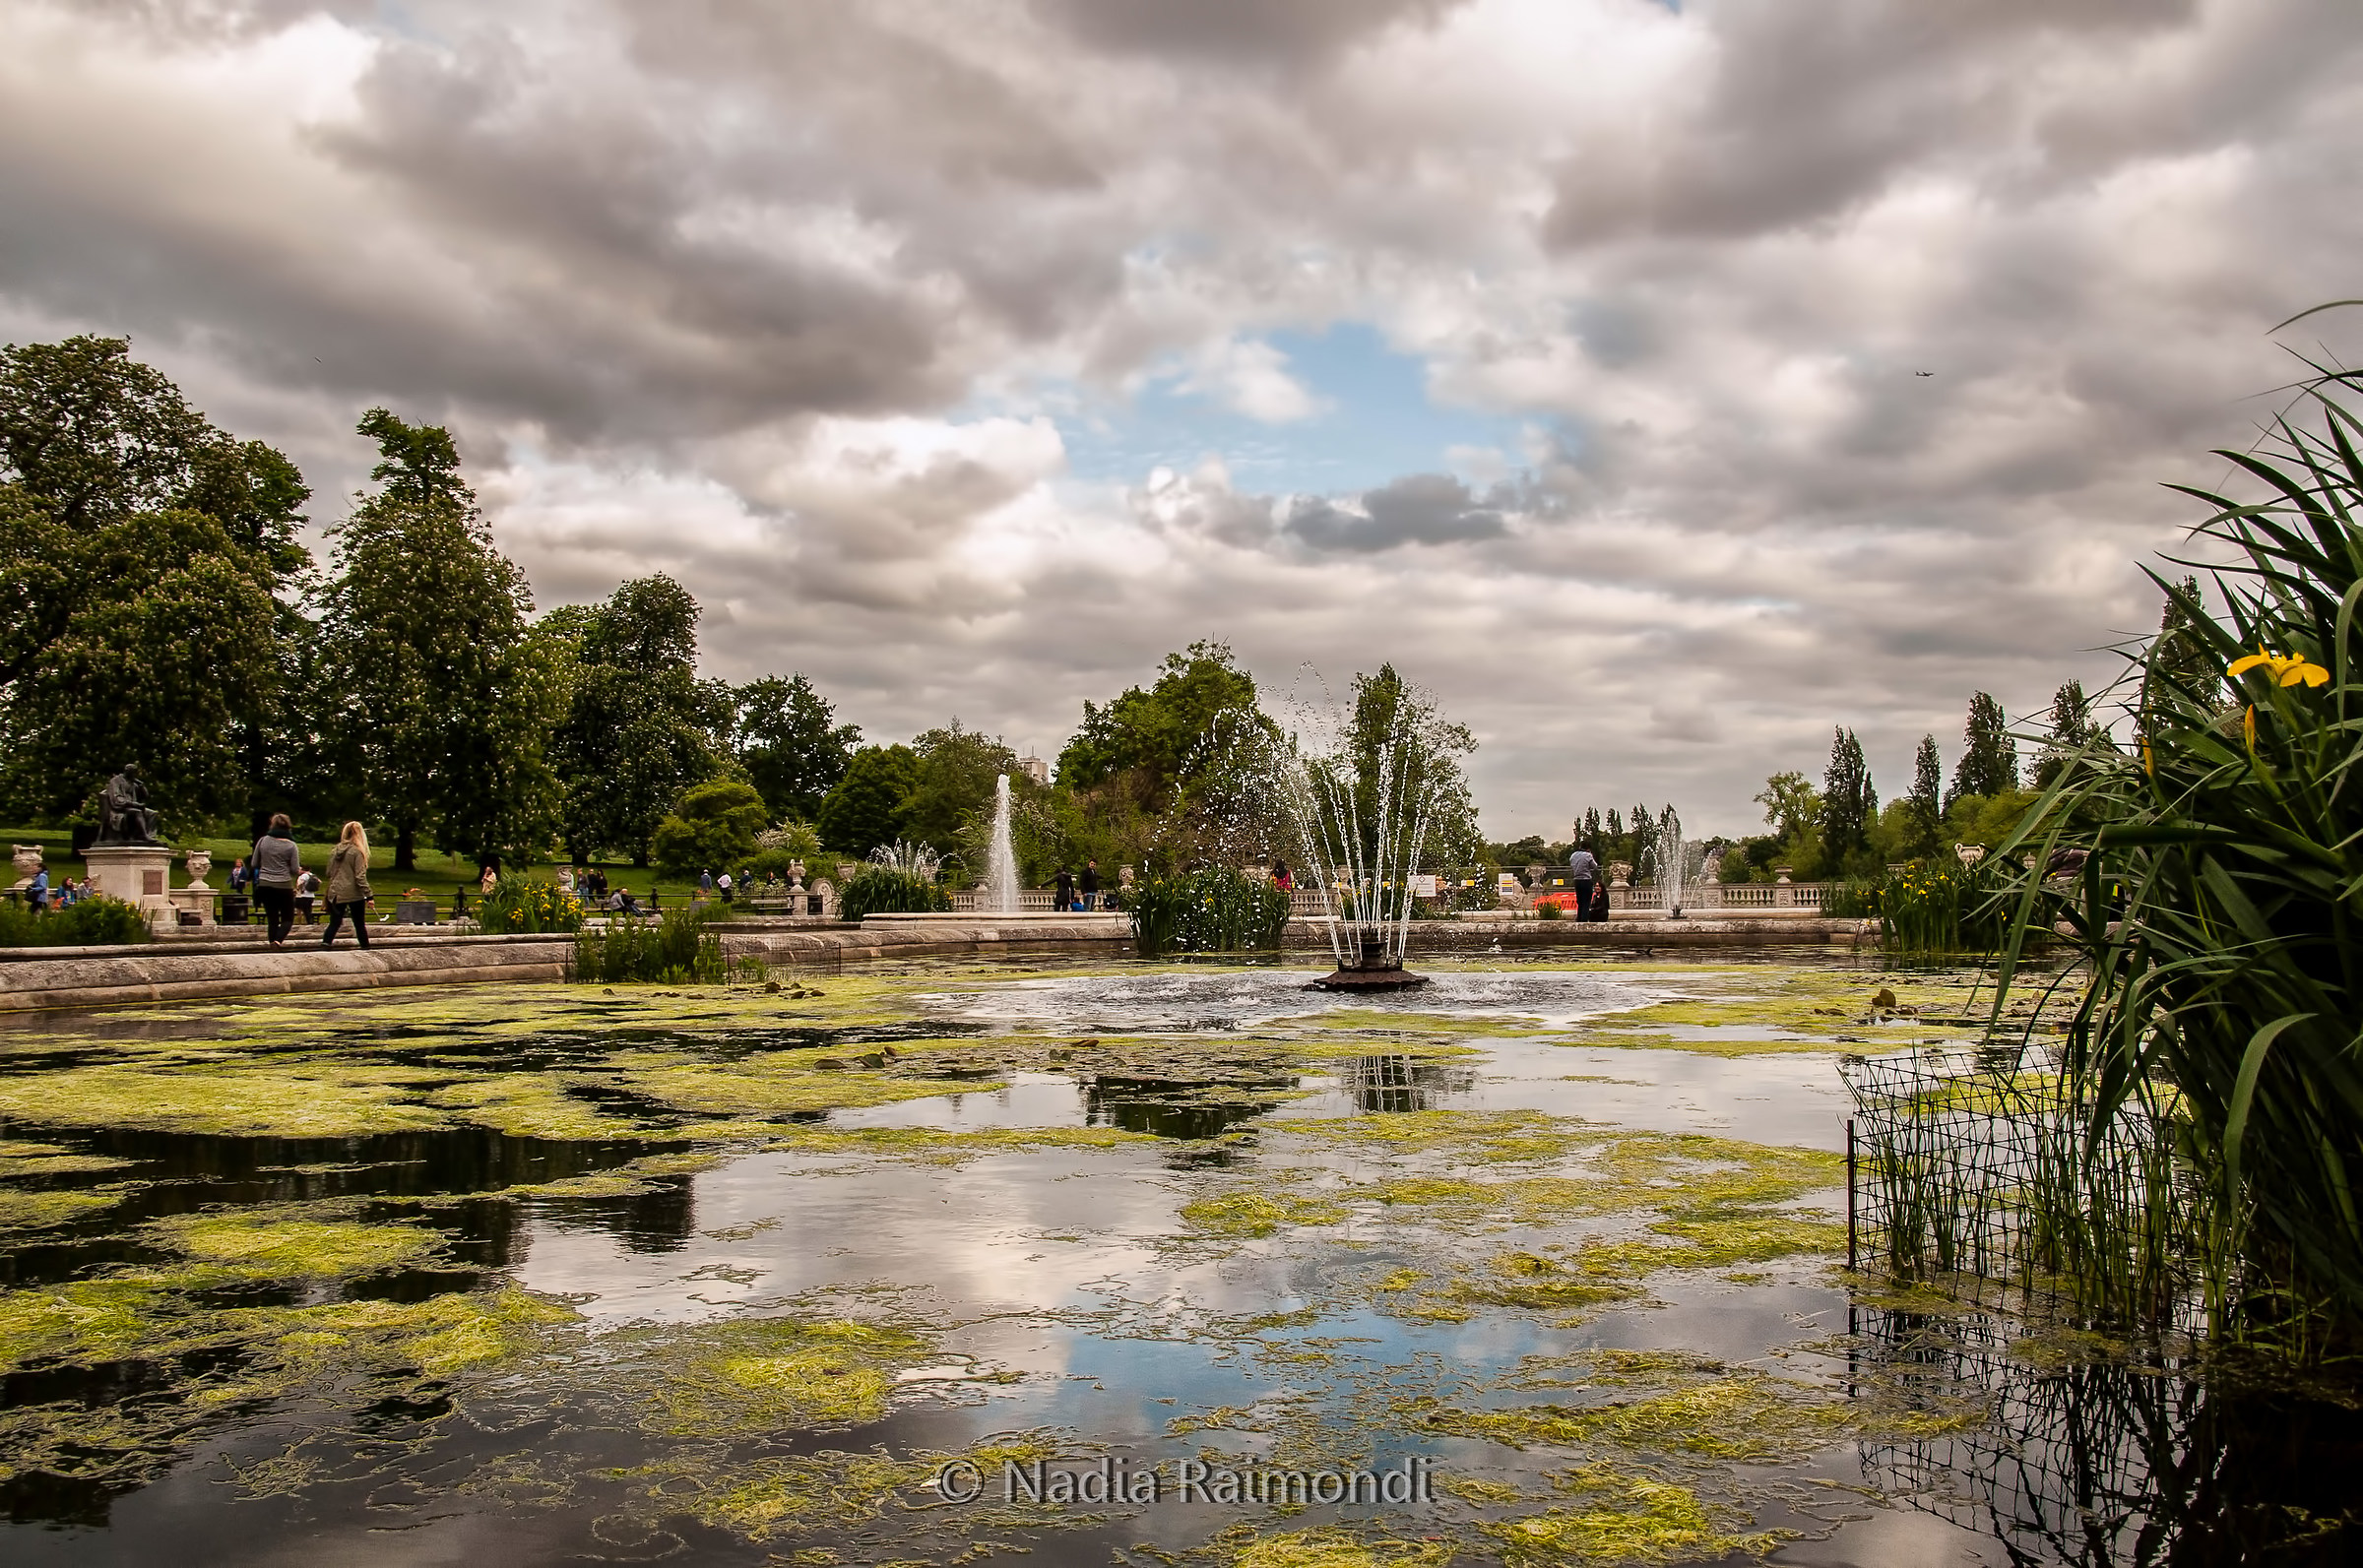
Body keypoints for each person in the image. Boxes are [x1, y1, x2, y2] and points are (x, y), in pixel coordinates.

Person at [251, 813, 303, 947]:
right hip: (283, 884)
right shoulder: (291, 846)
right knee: (287, 918)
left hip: (265, 884)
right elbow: (294, 869)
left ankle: (271, 943)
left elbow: (254, 863)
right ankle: (278, 940)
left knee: (272, 918)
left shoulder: (263, 841)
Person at [321, 821, 372, 948]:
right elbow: (360, 876)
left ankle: (326, 943)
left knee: (335, 922)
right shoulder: (357, 852)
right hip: (353, 893)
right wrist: (369, 895)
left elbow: (328, 872)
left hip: (335, 892)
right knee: (359, 923)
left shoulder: (335, 851)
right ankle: (366, 947)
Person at [1565, 845, 1598, 924]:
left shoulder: (1573, 855)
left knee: (1580, 901)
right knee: (1586, 901)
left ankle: (1579, 918)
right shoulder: (1588, 855)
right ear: (1588, 849)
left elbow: (1572, 866)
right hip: (1586, 880)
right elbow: (1594, 866)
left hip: (1577, 880)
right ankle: (1584, 920)